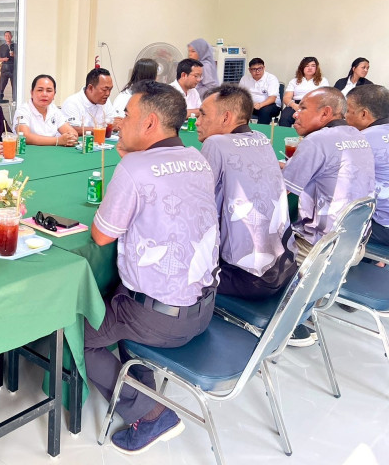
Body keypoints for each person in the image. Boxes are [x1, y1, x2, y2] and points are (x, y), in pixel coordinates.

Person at [84, 80, 219, 455]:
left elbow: (101, 236)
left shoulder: (135, 168)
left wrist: (127, 164)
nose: (119, 122)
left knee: (75, 334)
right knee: (124, 298)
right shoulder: (198, 158)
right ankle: (142, 382)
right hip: (204, 308)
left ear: (149, 123)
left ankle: (151, 413)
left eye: (126, 115)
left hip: (158, 319)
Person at [282, 87, 375, 345]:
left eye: (303, 108)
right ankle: (309, 303)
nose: (295, 114)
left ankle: (287, 319)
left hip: (317, 249)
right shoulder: (358, 136)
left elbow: (283, 192)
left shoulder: (317, 141)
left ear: (325, 113)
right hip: (352, 244)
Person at [196, 85, 297, 299]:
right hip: (285, 267)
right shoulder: (261, 137)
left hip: (247, 276)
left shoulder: (215, 143)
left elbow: (198, 206)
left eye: (202, 114)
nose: (197, 121)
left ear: (226, 117)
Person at [345, 84, 389, 266]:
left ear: (364, 114)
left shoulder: (360, 139)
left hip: (382, 228)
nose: (344, 116)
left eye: (348, 110)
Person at [12, 74, 78, 147]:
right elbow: (24, 136)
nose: (44, 94)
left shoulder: (54, 109)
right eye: (40, 90)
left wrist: (70, 137)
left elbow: (72, 133)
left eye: (49, 91)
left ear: (54, 94)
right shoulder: (23, 110)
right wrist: (57, 140)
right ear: (32, 93)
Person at [61, 67, 119, 134]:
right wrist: (102, 129)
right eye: (104, 90)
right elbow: (72, 130)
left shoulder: (106, 101)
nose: (108, 94)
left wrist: (116, 124)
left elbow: (113, 122)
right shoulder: (72, 103)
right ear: (90, 88)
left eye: (110, 89)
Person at [278, 57, 329, 127]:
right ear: (302, 68)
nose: (310, 68)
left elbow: (325, 97)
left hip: (314, 105)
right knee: (285, 118)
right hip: (296, 104)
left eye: (313, 66)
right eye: (307, 66)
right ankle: (284, 134)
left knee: (311, 120)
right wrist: (295, 106)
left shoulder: (323, 81)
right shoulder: (294, 81)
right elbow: (286, 98)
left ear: (316, 68)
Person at [239, 57, 281, 124]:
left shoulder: (271, 78)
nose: (257, 71)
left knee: (265, 111)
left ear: (264, 68)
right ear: (249, 70)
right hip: (251, 105)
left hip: (270, 105)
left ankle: (261, 130)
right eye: (254, 69)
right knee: (236, 107)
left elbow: (272, 98)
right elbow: (240, 95)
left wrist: (260, 105)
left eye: (260, 68)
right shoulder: (245, 79)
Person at [0, 31, 16, 103]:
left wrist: (14, 55)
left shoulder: (15, 45)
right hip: (4, 67)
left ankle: (15, 99)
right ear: (4, 37)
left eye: (9, 35)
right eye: (6, 35)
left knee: (14, 85)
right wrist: (4, 59)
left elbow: (20, 56)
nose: (7, 37)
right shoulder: (2, 46)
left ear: (11, 36)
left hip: (13, 68)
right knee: (1, 84)